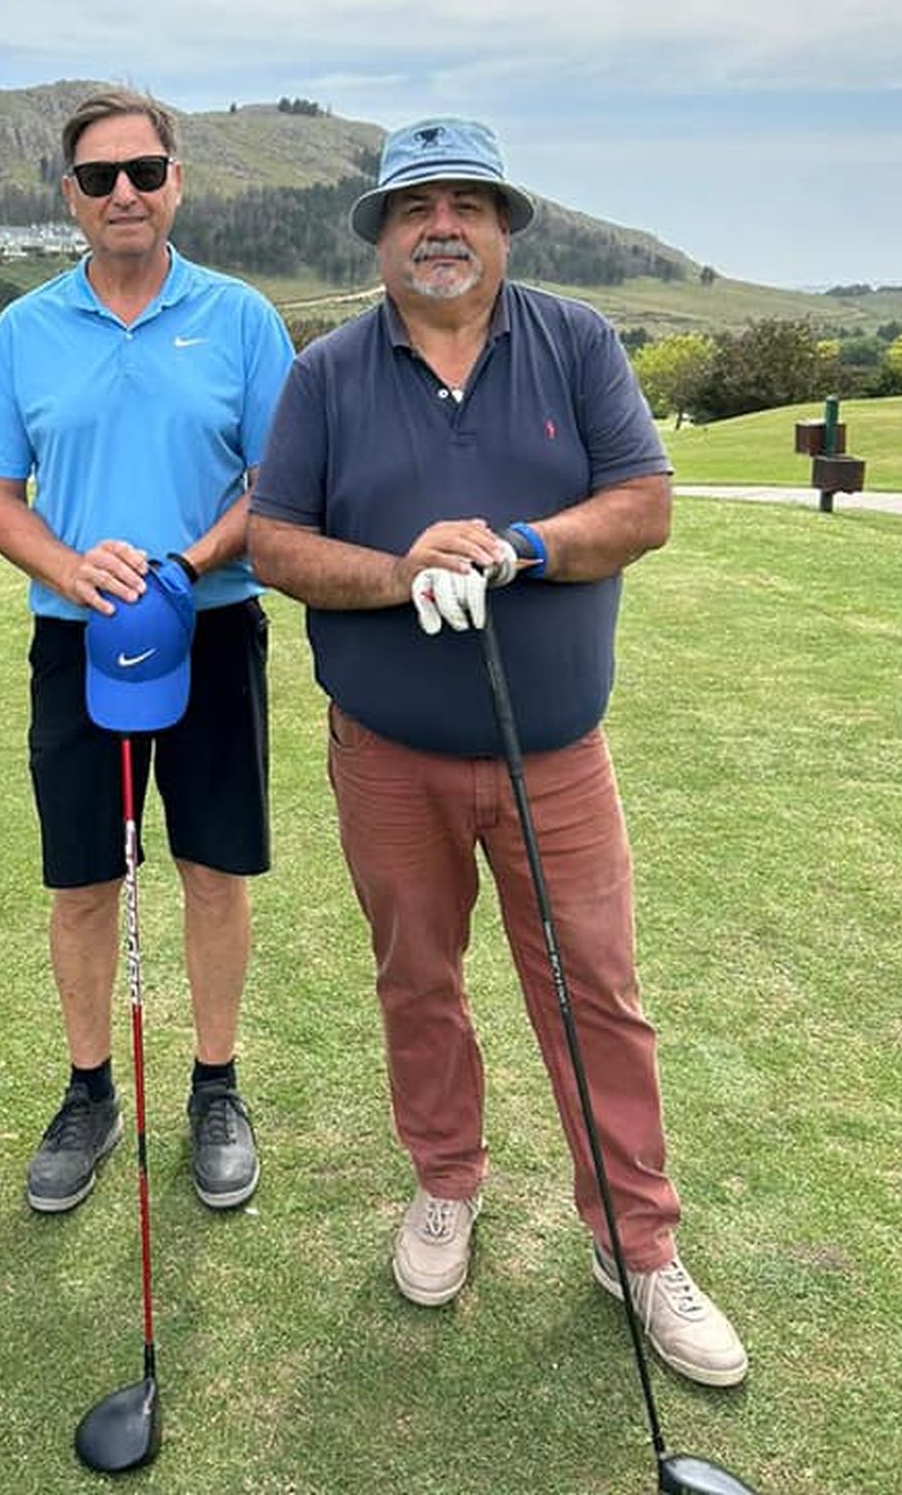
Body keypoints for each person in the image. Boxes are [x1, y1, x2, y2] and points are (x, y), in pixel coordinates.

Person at [247, 116, 747, 1388]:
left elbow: (643, 506)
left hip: (556, 756)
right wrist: (400, 569)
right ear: (380, 237)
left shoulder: (576, 341)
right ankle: (445, 1185)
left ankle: (635, 1240)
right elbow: (276, 543)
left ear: (505, 225)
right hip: (388, 756)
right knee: (419, 978)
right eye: (417, 208)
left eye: (469, 203)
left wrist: (518, 547)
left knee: (595, 990)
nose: (443, 226)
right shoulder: (328, 374)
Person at [0, 87, 294, 1214]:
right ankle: (91, 1089)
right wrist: (65, 567)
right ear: (71, 198)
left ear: (177, 182)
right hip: (78, 640)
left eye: (144, 171)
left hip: (211, 622)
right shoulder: (26, 328)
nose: (125, 194)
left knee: (212, 868)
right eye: (100, 178)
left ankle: (215, 1085)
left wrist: (191, 562)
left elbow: (279, 484)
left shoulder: (240, 316)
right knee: (86, 878)